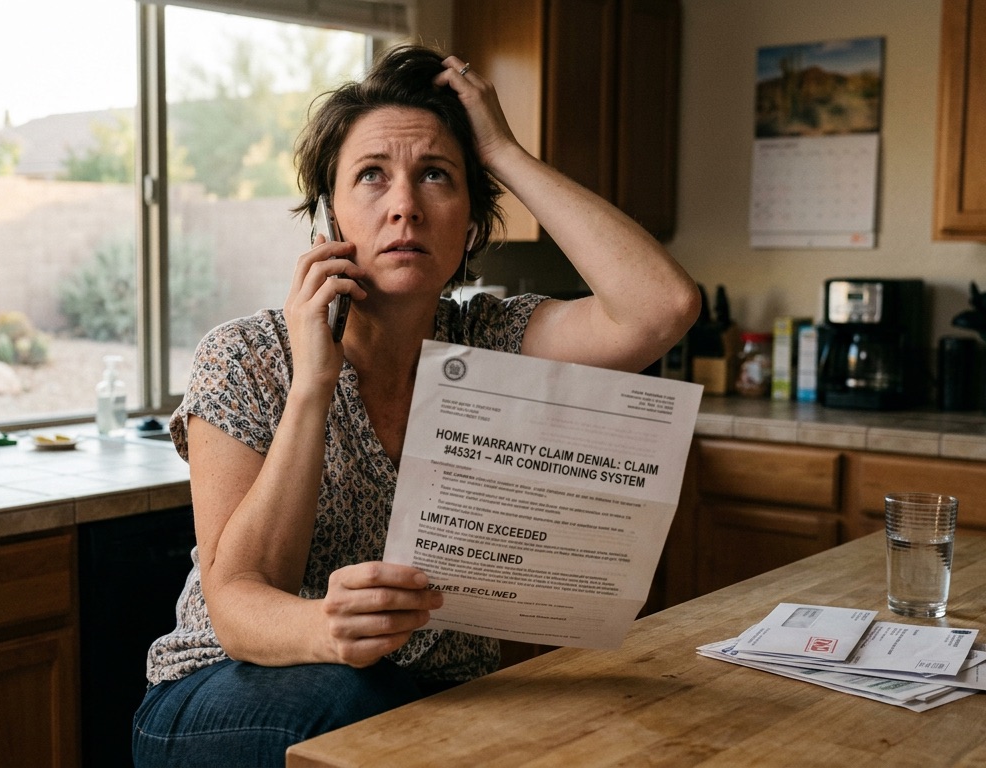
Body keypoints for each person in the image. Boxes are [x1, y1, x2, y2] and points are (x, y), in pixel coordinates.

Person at [132, 44, 699, 767]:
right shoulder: (245, 357)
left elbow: (663, 308)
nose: (404, 204)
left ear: (468, 228)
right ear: (330, 219)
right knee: (353, 707)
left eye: (436, 175)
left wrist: (502, 148)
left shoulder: (493, 341)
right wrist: (312, 384)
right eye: (372, 176)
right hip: (223, 692)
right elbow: (240, 606)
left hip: (428, 704)